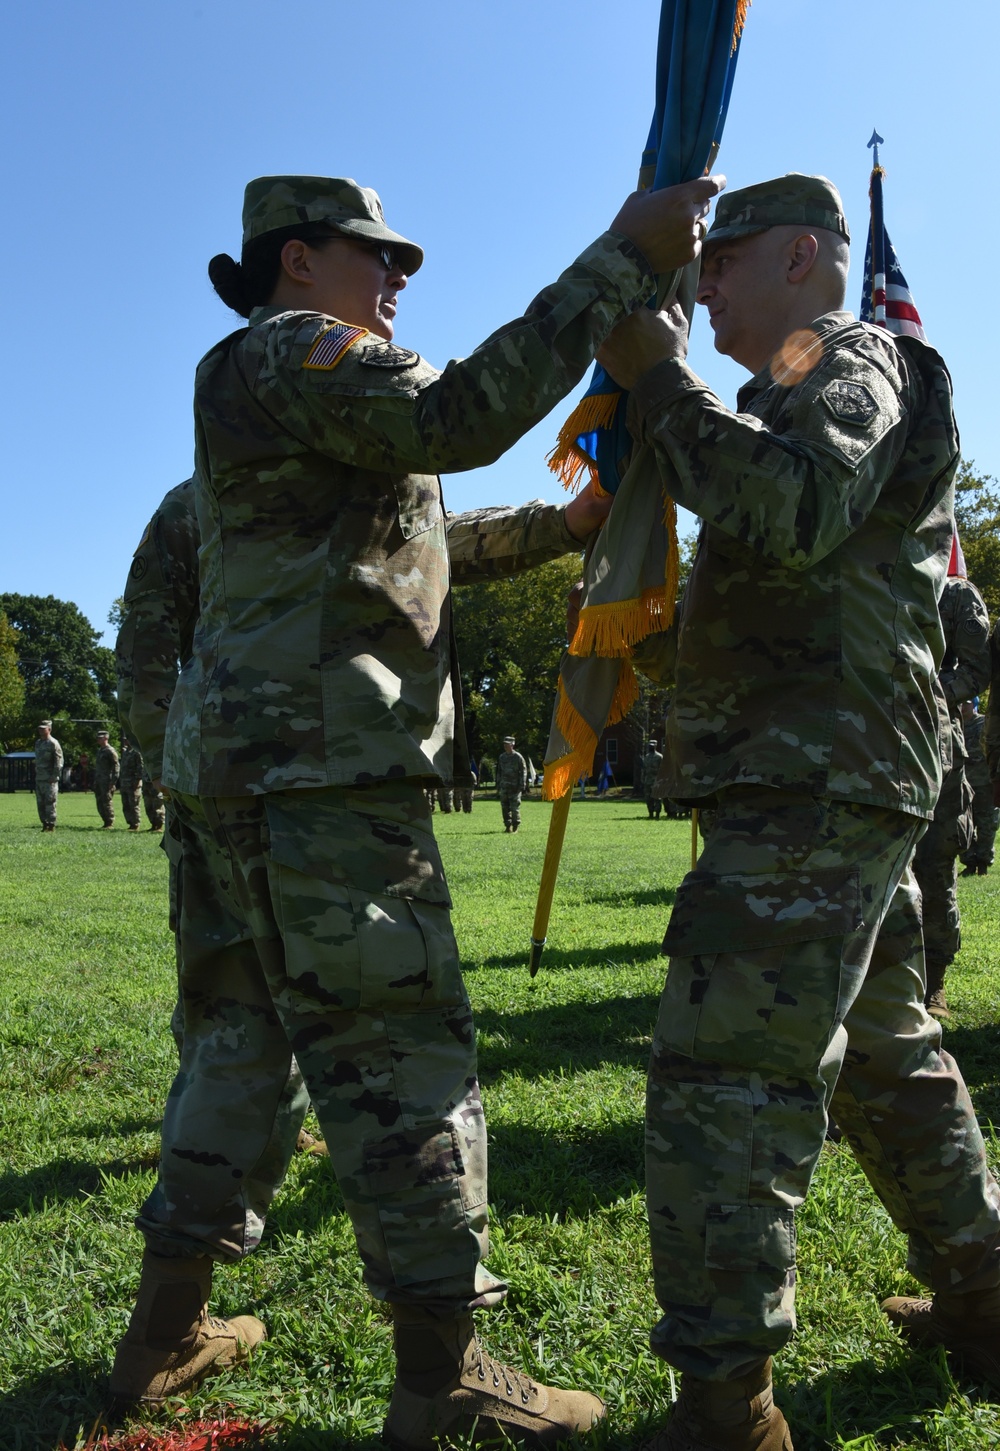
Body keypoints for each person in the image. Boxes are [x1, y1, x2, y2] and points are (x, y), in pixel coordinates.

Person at [109, 168, 720, 1447]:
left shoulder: (290, 390)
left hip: (245, 772)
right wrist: (619, 257)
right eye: (375, 255)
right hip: (323, 774)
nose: (397, 279)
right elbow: (459, 414)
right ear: (295, 261)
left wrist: (567, 525)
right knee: (401, 1058)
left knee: (239, 1044)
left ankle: (162, 1335)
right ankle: (443, 1378)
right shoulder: (295, 349)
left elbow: (419, 532)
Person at [597, 173, 1000, 1451]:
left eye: (718, 262)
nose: (696, 285)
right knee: (886, 1052)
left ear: (802, 259)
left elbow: (788, 509)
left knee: (726, 1084)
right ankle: (988, 1295)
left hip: (818, 782)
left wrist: (662, 383)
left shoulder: (855, 358)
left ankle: (725, 1411)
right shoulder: (788, 391)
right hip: (817, 773)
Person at [911, 558, 990, 1017]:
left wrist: (925, 689)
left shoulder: (956, 593)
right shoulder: (870, 576)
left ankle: (934, 978)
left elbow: (978, 670)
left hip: (937, 744)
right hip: (868, 740)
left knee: (936, 860)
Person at [960, 699, 995, 877]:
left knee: (986, 825)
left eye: (966, 703)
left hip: (984, 784)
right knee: (963, 825)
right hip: (961, 785)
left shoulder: (984, 724)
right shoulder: (954, 725)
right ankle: (969, 862)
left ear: (973, 704)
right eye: (960, 703)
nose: (962, 707)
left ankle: (983, 863)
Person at [33, 718, 63, 831]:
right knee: (40, 803)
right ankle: (44, 824)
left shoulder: (53, 743)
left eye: (43, 729)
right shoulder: (38, 743)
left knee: (50, 802)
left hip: (50, 779)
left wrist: (54, 776)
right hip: (40, 778)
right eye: (39, 729)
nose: (40, 731)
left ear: (49, 729)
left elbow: (58, 762)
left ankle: (51, 825)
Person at [496, 736, 528, 832]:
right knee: (505, 808)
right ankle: (507, 826)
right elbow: (499, 771)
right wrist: (498, 784)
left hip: (515, 787)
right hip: (504, 787)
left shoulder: (518, 757)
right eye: (504, 744)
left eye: (507, 744)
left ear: (512, 744)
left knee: (515, 808)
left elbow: (523, 771)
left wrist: (522, 785)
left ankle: (515, 827)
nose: (505, 746)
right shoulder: (502, 757)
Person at [93, 729, 120, 828]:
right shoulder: (100, 751)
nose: (98, 740)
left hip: (107, 781)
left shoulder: (110, 751)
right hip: (99, 780)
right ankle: (105, 821)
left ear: (105, 738)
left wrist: (113, 782)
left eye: (100, 738)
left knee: (107, 801)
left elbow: (116, 766)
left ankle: (110, 822)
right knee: (100, 801)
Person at [119, 739, 145, 831]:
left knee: (134, 804)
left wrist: (138, 780)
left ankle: (136, 824)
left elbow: (140, 767)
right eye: (125, 740)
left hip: (133, 783)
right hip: (124, 783)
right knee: (126, 804)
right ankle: (130, 823)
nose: (126, 742)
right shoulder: (125, 752)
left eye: (127, 740)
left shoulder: (136, 752)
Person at [641, 739, 664, 819]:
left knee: (657, 798)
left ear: (655, 746)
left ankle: (657, 814)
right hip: (647, 781)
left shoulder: (659, 757)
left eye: (652, 746)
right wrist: (642, 779)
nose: (651, 747)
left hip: (656, 781)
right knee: (648, 798)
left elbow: (663, 769)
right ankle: (650, 813)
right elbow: (643, 769)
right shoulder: (646, 757)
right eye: (650, 745)